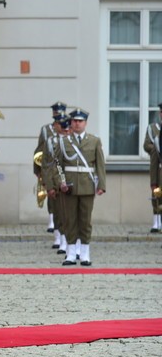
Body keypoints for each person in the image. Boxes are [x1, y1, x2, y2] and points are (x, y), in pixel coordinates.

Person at [52, 108, 105, 266]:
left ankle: (85, 254)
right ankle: (70, 253)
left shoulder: (94, 141)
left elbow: (100, 165)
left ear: (85, 123)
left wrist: (101, 184)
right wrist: (60, 182)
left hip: (87, 186)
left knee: (85, 220)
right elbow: (57, 165)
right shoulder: (63, 142)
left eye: (80, 121)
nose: (77, 124)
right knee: (70, 220)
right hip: (69, 187)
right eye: (74, 121)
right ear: (71, 122)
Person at [35, 102, 67, 238]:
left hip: (64, 169)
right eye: (56, 112)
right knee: (52, 196)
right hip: (50, 166)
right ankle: (52, 221)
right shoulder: (45, 129)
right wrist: (38, 170)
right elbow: (40, 149)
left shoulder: (69, 131)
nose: (58, 114)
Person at [42, 114, 72, 256]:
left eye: (68, 130)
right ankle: (61, 239)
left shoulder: (74, 143)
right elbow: (47, 165)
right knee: (58, 213)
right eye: (63, 129)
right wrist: (49, 185)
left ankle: (72, 242)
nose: (66, 132)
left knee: (70, 214)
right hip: (56, 180)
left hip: (72, 181)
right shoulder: (50, 142)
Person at [143, 104, 162, 233]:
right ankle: (156, 221)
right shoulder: (153, 128)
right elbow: (146, 145)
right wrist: (156, 149)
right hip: (159, 167)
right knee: (157, 193)